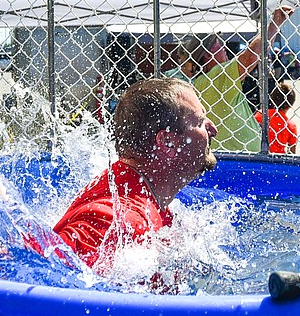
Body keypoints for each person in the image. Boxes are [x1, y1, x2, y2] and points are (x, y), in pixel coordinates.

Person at [52, 78, 218, 271]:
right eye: (200, 121)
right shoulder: (118, 221)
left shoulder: (133, 190)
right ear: (167, 143)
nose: (213, 129)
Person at [184, 5, 294, 153]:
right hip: (241, 157)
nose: (225, 48)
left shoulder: (202, 82)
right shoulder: (217, 76)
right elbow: (250, 57)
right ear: (208, 55)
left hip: (231, 155)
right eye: (220, 47)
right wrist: (274, 25)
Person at [254, 80, 299, 155]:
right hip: (278, 159)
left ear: (272, 99)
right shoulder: (290, 125)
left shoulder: (260, 114)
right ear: (291, 104)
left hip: (258, 154)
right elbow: (292, 151)